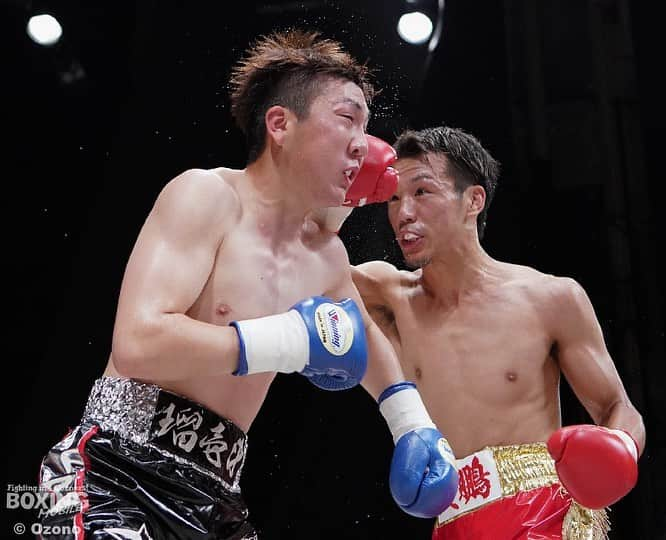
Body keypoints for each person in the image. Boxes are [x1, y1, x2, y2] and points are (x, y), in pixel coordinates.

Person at [37, 31, 458, 539]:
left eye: (366, 126)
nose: (362, 144)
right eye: (347, 118)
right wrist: (286, 342)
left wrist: (411, 422)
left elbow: (360, 340)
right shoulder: (206, 196)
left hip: (217, 496)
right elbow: (137, 344)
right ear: (280, 124)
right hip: (116, 472)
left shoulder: (325, 257)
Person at [322, 126, 645, 539]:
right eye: (393, 198)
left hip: (545, 513)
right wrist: (345, 194)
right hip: (454, 519)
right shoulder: (391, 298)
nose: (403, 213)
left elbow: (618, 406)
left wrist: (619, 446)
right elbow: (307, 267)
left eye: (422, 192)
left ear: (473, 200)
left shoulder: (550, 298)